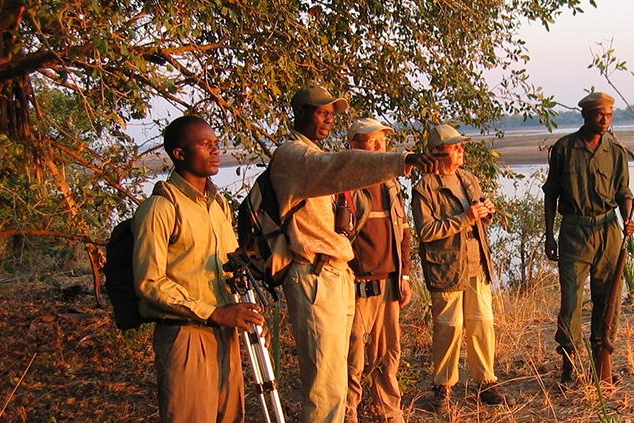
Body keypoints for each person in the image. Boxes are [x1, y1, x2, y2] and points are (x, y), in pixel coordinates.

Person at [271, 85, 438, 423]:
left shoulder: (313, 155)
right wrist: (401, 160)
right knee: (326, 384)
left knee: (338, 378)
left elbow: (399, 231)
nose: (329, 117)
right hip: (315, 274)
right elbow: (338, 166)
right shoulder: (295, 155)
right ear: (300, 112)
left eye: (332, 112)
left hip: (337, 273)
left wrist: (402, 272)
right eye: (321, 111)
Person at [133, 115, 266, 422]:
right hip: (185, 335)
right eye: (205, 145)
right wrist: (213, 312)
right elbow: (149, 283)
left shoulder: (219, 205)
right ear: (179, 154)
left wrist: (249, 314)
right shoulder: (161, 208)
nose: (215, 151)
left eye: (216, 144)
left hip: (225, 331)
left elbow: (232, 270)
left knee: (231, 415)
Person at [411, 124, 509, 412]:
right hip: (446, 267)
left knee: (482, 323)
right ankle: (443, 388)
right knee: (448, 328)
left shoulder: (467, 178)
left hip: (476, 263)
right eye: (456, 148)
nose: (461, 151)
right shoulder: (424, 188)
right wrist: (466, 218)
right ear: (438, 153)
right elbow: (426, 231)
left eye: (460, 146)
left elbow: (477, 219)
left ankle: (486, 382)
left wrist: (485, 213)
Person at [542, 92, 634, 387]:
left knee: (608, 299)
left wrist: (628, 218)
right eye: (599, 114)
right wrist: (549, 234)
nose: (605, 120)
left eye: (609, 115)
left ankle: (601, 361)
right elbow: (551, 194)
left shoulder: (617, 151)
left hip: (608, 231)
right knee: (571, 301)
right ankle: (568, 365)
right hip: (573, 231)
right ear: (585, 115)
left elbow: (624, 192)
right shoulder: (564, 149)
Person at [342, 118, 413, 423]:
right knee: (354, 356)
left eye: (381, 141)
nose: (376, 147)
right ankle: (348, 413)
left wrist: (406, 275)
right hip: (356, 286)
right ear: (353, 146)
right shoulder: (343, 184)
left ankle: (389, 412)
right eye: (369, 141)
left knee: (388, 355)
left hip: (391, 283)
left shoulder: (391, 182)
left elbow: (405, 233)